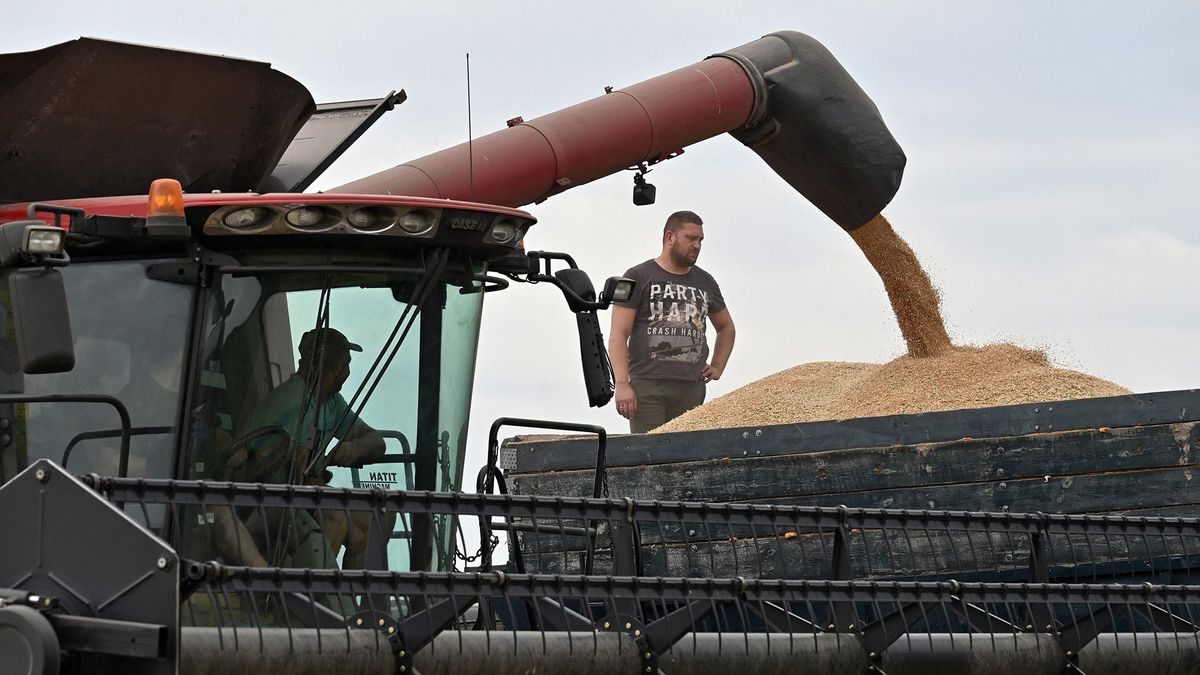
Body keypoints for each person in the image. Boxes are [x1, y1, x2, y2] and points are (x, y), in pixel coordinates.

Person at [221, 327, 388, 569]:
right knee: (335, 518)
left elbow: (376, 440)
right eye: (346, 365)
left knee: (378, 517)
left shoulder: (330, 401)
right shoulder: (291, 405)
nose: (349, 372)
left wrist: (353, 448)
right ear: (329, 370)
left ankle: (351, 602)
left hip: (299, 492)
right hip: (260, 499)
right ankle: (301, 601)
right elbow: (290, 476)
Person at [609, 210, 736, 433]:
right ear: (670, 237)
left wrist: (717, 365)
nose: (697, 245)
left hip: (691, 387)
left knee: (686, 456)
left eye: (700, 240)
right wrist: (621, 384)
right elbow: (618, 335)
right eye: (691, 238)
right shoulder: (637, 275)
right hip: (648, 385)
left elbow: (726, 327)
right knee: (649, 454)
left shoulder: (706, 282)